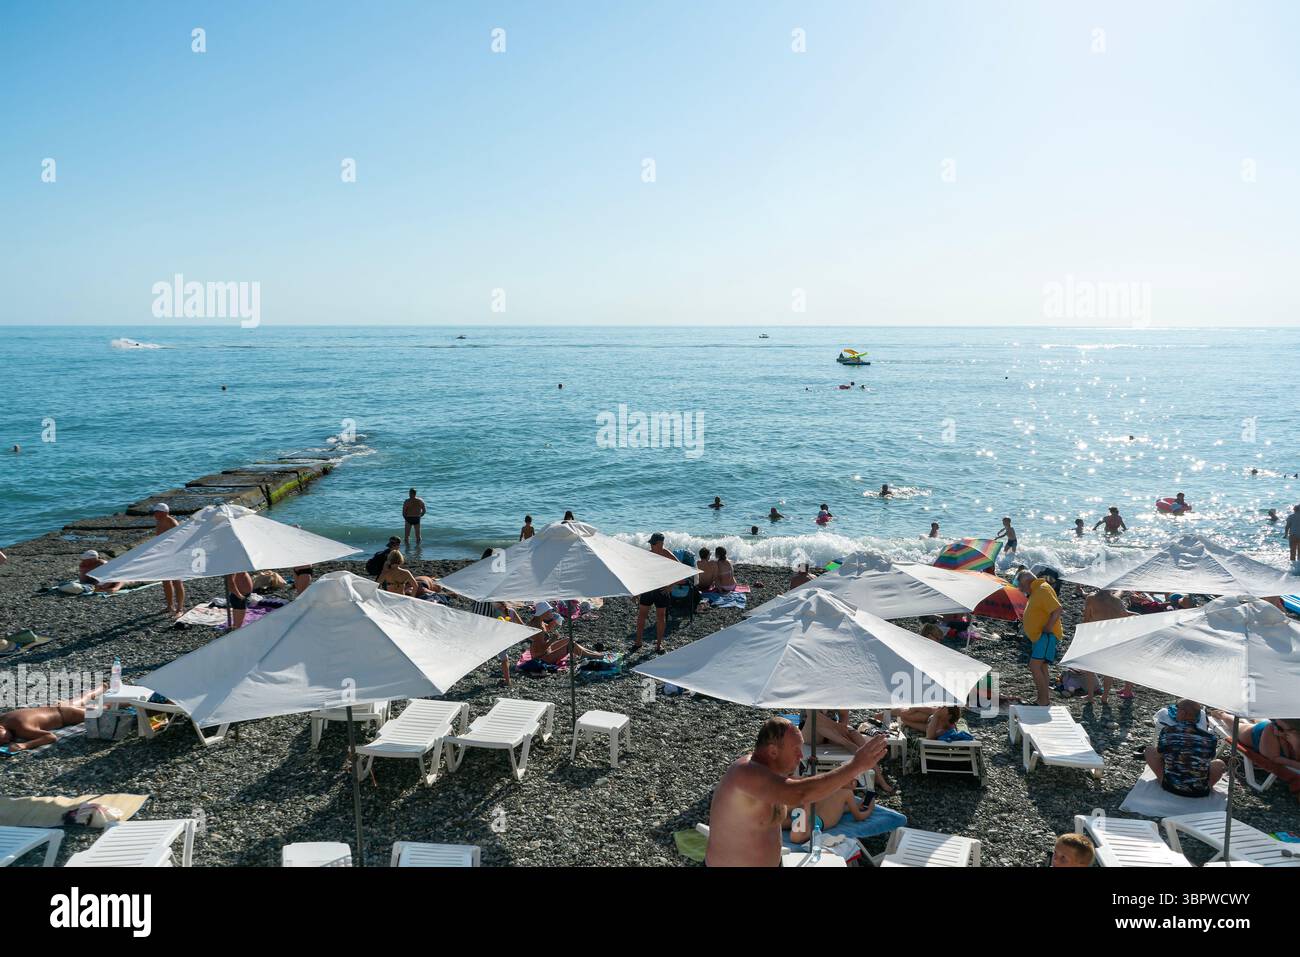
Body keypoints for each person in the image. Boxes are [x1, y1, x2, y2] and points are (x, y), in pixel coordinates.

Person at [704, 716, 886, 866]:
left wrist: (840, 788)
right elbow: (799, 793)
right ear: (773, 751)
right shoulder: (746, 773)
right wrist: (855, 766)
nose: (801, 756)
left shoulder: (771, 777)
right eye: (796, 750)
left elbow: (800, 787)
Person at [802, 709, 895, 794]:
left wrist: (842, 727)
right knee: (816, 722)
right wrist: (837, 727)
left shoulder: (837, 695)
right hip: (811, 733)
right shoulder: (811, 694)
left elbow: (844, 715)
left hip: (832, 732)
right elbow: (813, 716)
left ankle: (879, 777)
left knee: (856, 736)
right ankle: (848, 744)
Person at [1145, 699, 1225, 798]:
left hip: (1170, 786)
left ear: (1183, 713)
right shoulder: (1210, 738)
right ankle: (1206, 786)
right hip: (1199, 791)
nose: (1176, 711)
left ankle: (1166, 779)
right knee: (1219, 764)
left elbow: (1160, 755)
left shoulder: (1167, 731)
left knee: (1149, 750)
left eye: (1177, 709)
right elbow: (1209, 759)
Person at [471, 548, 526, 685]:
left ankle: (524, 631)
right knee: (502, 651)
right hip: (487, 618)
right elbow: (497, 602)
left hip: (476, 616)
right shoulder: (493, 578)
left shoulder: (478, 576)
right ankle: (507, 681)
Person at [0, 685, 106, 752]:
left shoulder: (21, 728)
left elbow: (50, 737)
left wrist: (24, 745)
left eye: (3, 738)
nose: (7, 741)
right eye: (3, 742)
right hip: (57, 706)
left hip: (67, 716)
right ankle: (102, 687)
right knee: (85, 697)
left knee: (104, 710)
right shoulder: (3, 718)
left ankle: (119, 700)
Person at [1081, 590, 1136, 702]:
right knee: (1107, 668)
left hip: (1095, 636)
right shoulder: (1117, 601)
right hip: (1112, 638)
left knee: (1089, 666)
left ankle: (1090, 696)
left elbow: (1086, 618)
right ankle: (1105, 696)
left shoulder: (1091, 598)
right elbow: (1124, 614)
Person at [1019, 568, 1061, 706]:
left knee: (1034, 665)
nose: (1020, 589)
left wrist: (1048, 628)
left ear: (1027, 583)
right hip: (1040, 637)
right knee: (1042, 667)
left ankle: (1043, 700)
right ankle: (1043, 699)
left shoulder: (1042, 589)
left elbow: (1057, 609)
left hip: (1045, 636)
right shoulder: (1037, 590)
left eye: (1021, 585)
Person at [633, 532, 679, 653]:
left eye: (654, 543)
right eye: (651, 543)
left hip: (662, 589)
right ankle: (638, 642)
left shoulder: (666, 554)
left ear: (660, 543)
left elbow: (681, 569)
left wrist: (671, 586)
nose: (652, 545)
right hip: (648, 587)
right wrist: (636, 590)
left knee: (660, 617)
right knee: (642, 615)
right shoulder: (648, 554)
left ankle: (658, 645)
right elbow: (638, 572)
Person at [1211, 712, 1300, 771]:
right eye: (1274, 722)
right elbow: (1273, 758)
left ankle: (1255, 719)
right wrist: (1296, 764)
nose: (1277, 730)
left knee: (1256, 722)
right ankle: (1222, 715)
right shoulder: (1271, 729)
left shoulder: (1294, 733)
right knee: (1236, 726)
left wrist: (1295, 743)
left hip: (1268, 729)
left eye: (1280, 728)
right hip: (1255, 735)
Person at [527, 600, 601, 664]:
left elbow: (547, 628)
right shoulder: (538, 628)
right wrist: (553, 639)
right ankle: (593, 656)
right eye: (549, 611)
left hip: (544, 652)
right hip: (542, 658)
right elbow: (541, 649)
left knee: (568, 639)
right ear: (543, 613)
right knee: (571, 646)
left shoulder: (538, 621)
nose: (551, 613)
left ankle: (591, 653)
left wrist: (555, 621)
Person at [152, 503, 184, 616]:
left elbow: (179, 539)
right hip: (163, 555)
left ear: (164, 512)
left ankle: (180, 608)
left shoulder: (172, 522)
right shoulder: (159, 521)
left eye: (157, 512)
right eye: (154, 512)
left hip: (174, 555)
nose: (155, 514)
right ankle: (170, 606)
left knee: (177, 581)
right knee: (165, 581)